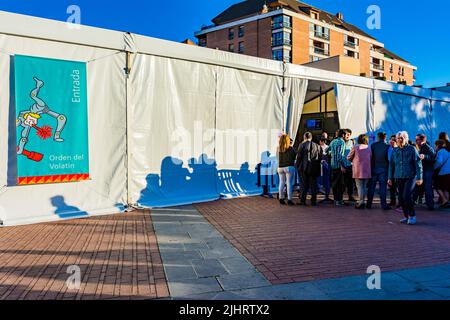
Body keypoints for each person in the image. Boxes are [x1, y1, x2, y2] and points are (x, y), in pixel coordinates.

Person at [388, 131, 423, 225]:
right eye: (398, 138)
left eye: (401, 138)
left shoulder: (412, 149)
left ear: (406, 139)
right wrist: (390, 178)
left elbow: (418, 163)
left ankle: (412, 216)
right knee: (400, 198)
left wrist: (419, 177)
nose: (399, 140)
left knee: (406, 196)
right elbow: (391, 165)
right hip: (399, 176)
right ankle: (406, 216)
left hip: (410, 176)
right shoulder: (395, 150)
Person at [296, 132, 322, 206]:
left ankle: (303, 200)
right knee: (313, 185)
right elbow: (320, 157)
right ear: (311, 137)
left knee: (304, 184)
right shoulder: (317, 146)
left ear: (304, 137)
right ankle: (313, 201)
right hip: (314, 168)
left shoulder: (302, 145)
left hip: (304, 168)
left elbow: (299, 157)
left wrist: (297, 166)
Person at [347, 134, 372, 209]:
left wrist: (353, 160)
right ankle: (362, 201)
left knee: (359, 186)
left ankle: (361, 202)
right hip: (367, 169)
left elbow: (348, 157)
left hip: (358, 169)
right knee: (364, 186)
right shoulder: (369, 148)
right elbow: (371, 157)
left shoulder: (355, 147)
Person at [367, 132, 390, 210]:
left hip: (373, 168)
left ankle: (369, 204)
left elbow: (370, 156)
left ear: (378, 137)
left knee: (371, 187)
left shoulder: (373, 145)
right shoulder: (387, 146)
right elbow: (389, 159)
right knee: (383, 188)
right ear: (385, 137)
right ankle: (384, 205)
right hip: (384, 168)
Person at [414, 134, 436, 210]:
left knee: (427, 187)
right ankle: (414, 201)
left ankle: (430, 205)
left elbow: (433, 158)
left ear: (422, 140)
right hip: (422, 170)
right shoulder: (419, 147)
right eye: (416, 139)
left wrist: (425, 156)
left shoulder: (428, 148)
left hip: (427, 171)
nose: (416, 141)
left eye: (417, 140)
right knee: (418, 187)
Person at [328, 129, 347, 206]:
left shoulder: (333, 141)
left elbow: (327, 150)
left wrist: (332, 154)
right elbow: (340, 155)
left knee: (334, 183)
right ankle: (339, 200)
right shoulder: (342, 142)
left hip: (333, 164)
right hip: (339, 166)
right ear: (343, 135)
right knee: (341, 184)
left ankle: (336, 200)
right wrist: (342, 166)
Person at [277, 134, 296, 206]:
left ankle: (281, 198)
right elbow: (295, 157)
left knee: (281, 182)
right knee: (289, 183)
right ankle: (289, 199)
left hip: (280, 167)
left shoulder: (278, 149)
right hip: (289, 166)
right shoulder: (291, 148)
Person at [433, 140, 450, 209]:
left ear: (438, 145)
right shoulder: (448, 152)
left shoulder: (440, 152)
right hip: (448, 172)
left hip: (442, 172)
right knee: (446, 188)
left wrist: (434, 167)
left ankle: (444, 200)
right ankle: (447, 201)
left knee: (437, 186)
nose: (435, 147)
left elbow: (439, 162)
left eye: (435, 145)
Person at [343, 129, 356, 202]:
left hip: (350, 165)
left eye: (349, 135)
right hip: (342, 165)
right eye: (346, 134)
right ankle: (340, 198)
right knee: (342, 183)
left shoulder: (352, 142)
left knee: (350, 182)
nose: (347, 136)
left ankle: (350, 196)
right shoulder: (340, 142)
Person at [388, 134, 400, 209]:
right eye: (391, 140)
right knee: (391, 187)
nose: (392, 141)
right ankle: (393, 201)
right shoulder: (388, 148)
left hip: (398, 172)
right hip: (390, 171)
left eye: (394, 140)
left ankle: (400, 203)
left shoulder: (398, 149)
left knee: (398, 188)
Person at [319, 138, 332, 203]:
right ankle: (326, 195)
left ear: (322, 141)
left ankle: (326, 195)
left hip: (323, 166)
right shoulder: (328, 147)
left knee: (324, 180)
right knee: (326, 180)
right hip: (327, 165)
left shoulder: (320, 147)